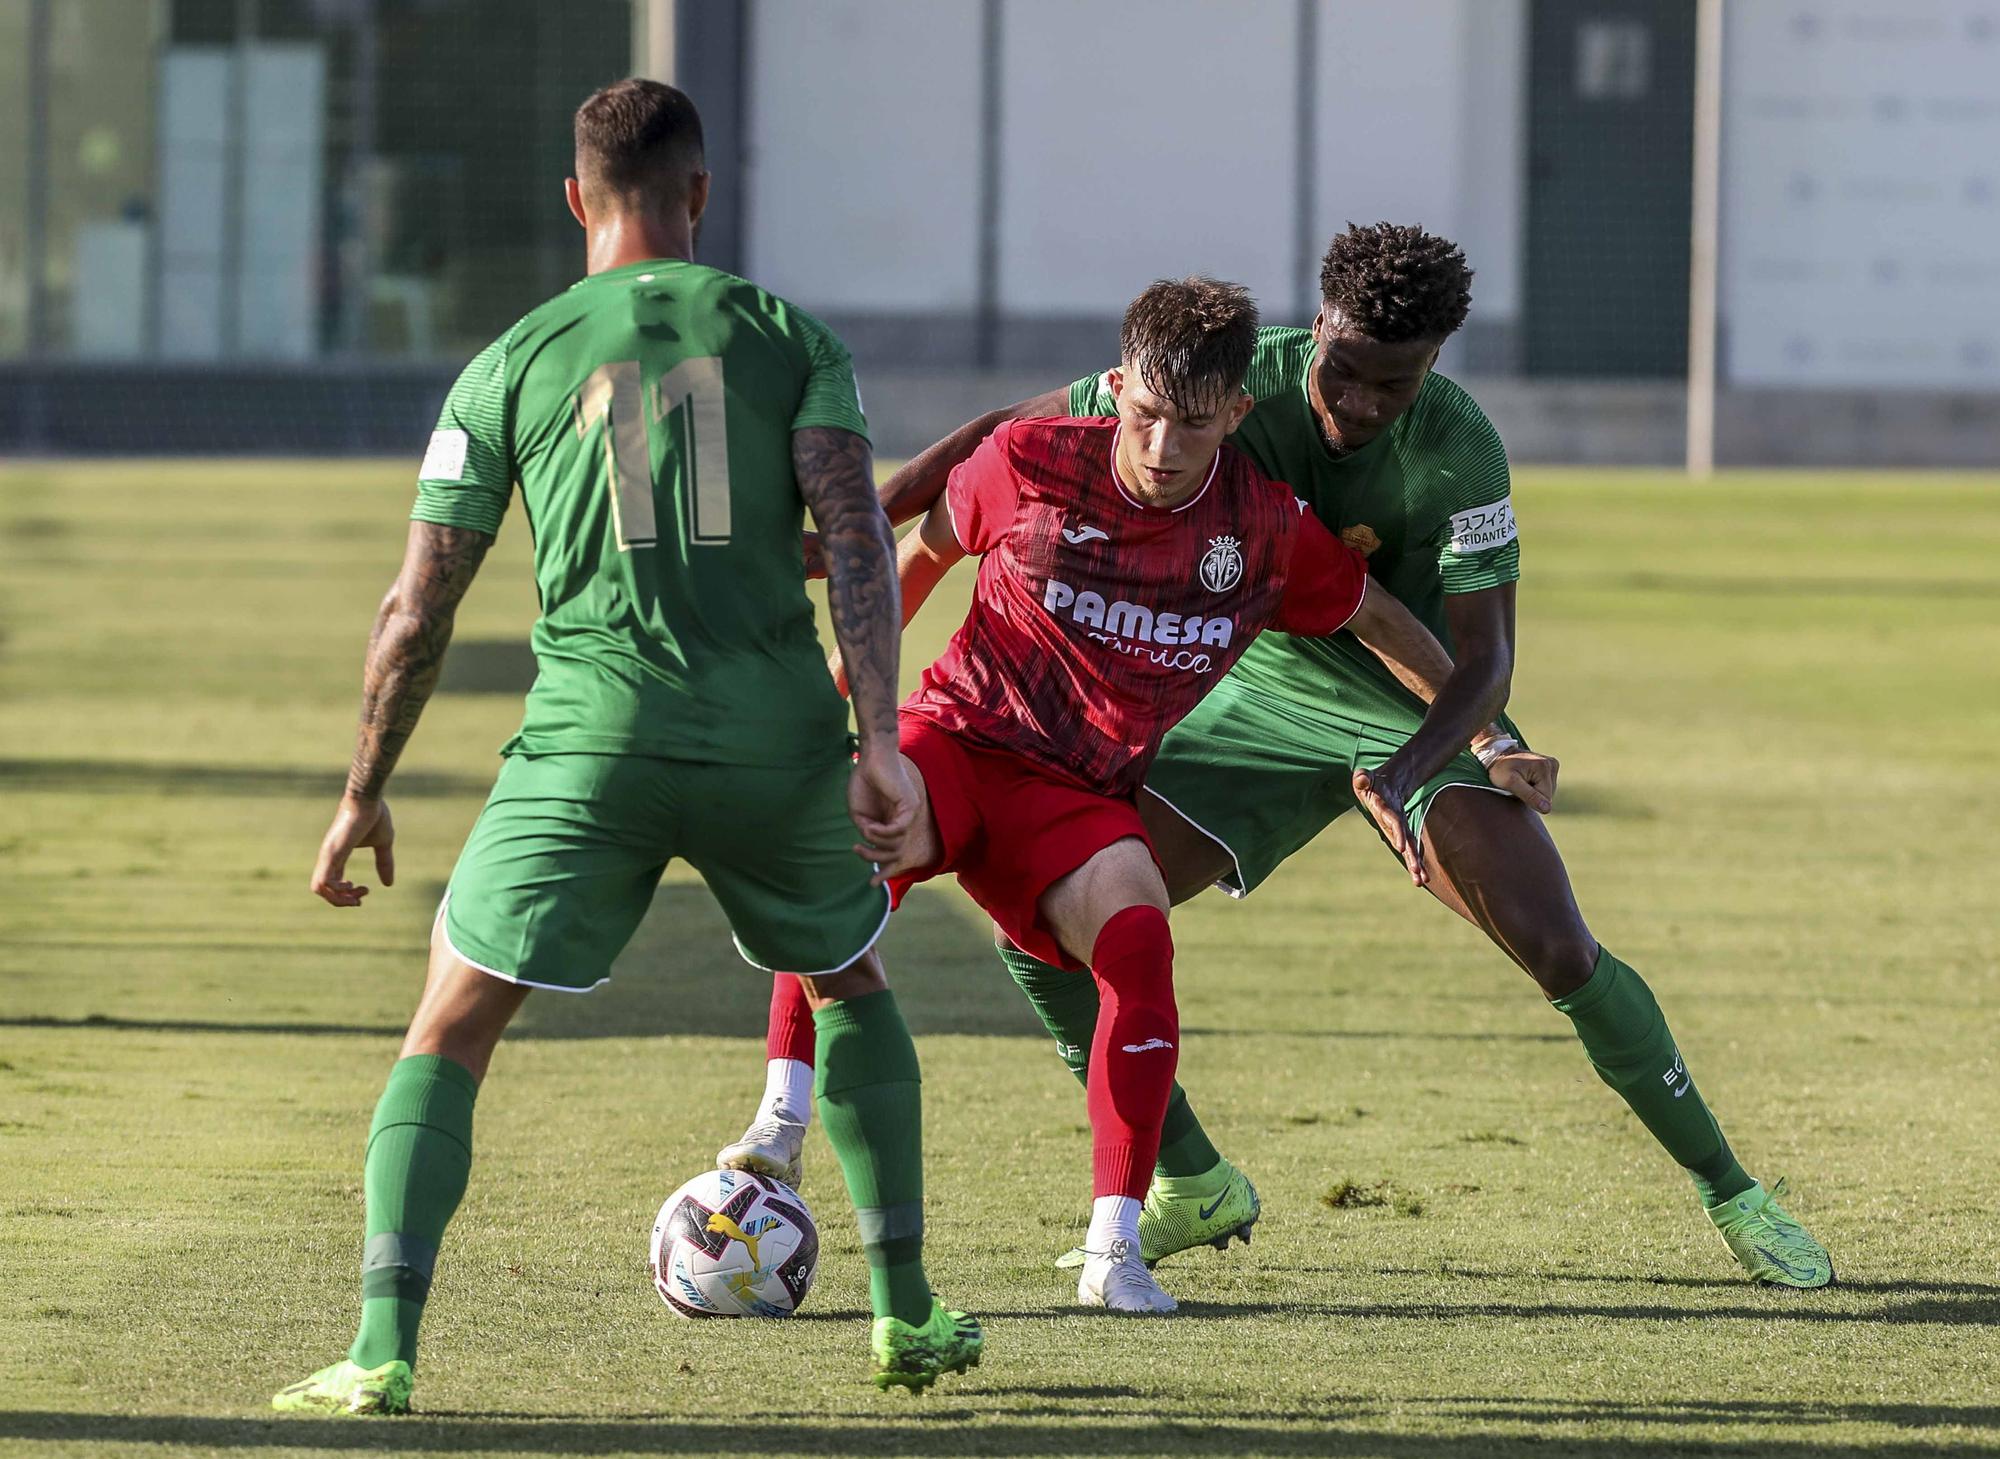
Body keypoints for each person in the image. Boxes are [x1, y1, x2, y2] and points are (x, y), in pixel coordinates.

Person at [729, 224, 1833, 1290]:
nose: (1354, 403)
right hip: (1252, 694)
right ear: (1315, 330)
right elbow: (998, 438)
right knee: (1061, 918)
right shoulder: (1219, 376)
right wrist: (860, 532)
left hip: (1416, 710)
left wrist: (1461, 751)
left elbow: (1478, 656)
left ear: (1431, 368)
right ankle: (1192, 1182)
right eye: (1341, 371)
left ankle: (1729, 1189)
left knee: (1555, 944)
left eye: (1387, 386)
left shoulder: (1459, 448)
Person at [273, 79, 980, 1415]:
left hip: (590, 742)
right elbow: (855, 538)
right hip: (773, 737)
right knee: (851, 979)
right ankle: (906, 1314)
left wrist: (363, 790)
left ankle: (382, 1346)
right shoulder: (790, 337)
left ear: (574, 201)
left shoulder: (513, 359)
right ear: (699, 195)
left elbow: (417, 606)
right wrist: (876, 738)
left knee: (454, 1016)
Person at [792, 274, 1519, 1314]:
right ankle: (772, 1138)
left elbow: (1376, 619)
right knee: (841, 852)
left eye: (1189, 426)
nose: (1162, 446)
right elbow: (916, 558)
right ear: (1117, 389)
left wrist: (1486, 735)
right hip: (957, 735)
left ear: (1234, 415)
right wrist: (836, 702)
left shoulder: (1262, 529)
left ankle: (1114, 1248)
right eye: (1142, 416)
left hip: (1077, 792)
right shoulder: (1032, 459)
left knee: (1136, 933)